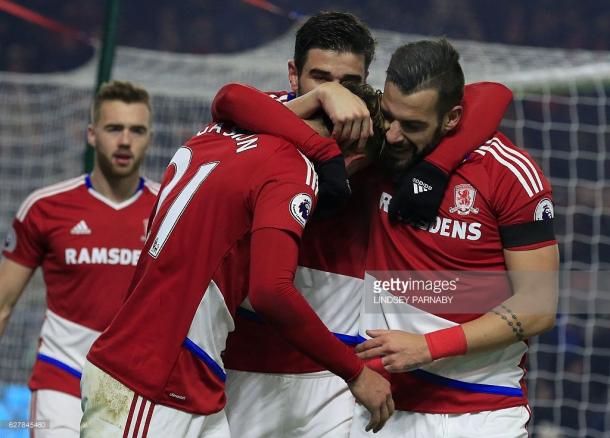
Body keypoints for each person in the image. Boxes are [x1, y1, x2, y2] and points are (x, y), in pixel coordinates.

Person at [212, 12, 513, 438]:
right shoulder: (268, 128)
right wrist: (320, 150)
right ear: (293, 76)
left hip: (335, 387)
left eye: (348, 81)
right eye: (322, 78)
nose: (336, 94)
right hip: (241, 370)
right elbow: (227, 99)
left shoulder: (379, 142)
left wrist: (438, 167)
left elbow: (494, 94)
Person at [79, 83, 394, 437]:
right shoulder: (293, 168)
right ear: (353, 154)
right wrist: (355, 372)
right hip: (153, 381)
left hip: (186, 377)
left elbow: (230, 97)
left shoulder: (218, 134)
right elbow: (271, 292)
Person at [352, 39, 559, 437]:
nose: (393, 135)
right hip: (382, 408)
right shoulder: (379, 148)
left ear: (452, 118)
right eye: (389, 116)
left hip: (480, 412)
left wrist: (429, 345)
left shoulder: (509, 174)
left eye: (412, 126)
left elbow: (538, 306)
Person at [0, 80, 159, 437]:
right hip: (62, 376)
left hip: (134, 386)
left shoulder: (171, 212)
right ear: (92, 134)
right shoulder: (45, 207)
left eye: (137, 130)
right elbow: (3, 303)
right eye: (113, 128)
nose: (124, 140)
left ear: (150, 138)